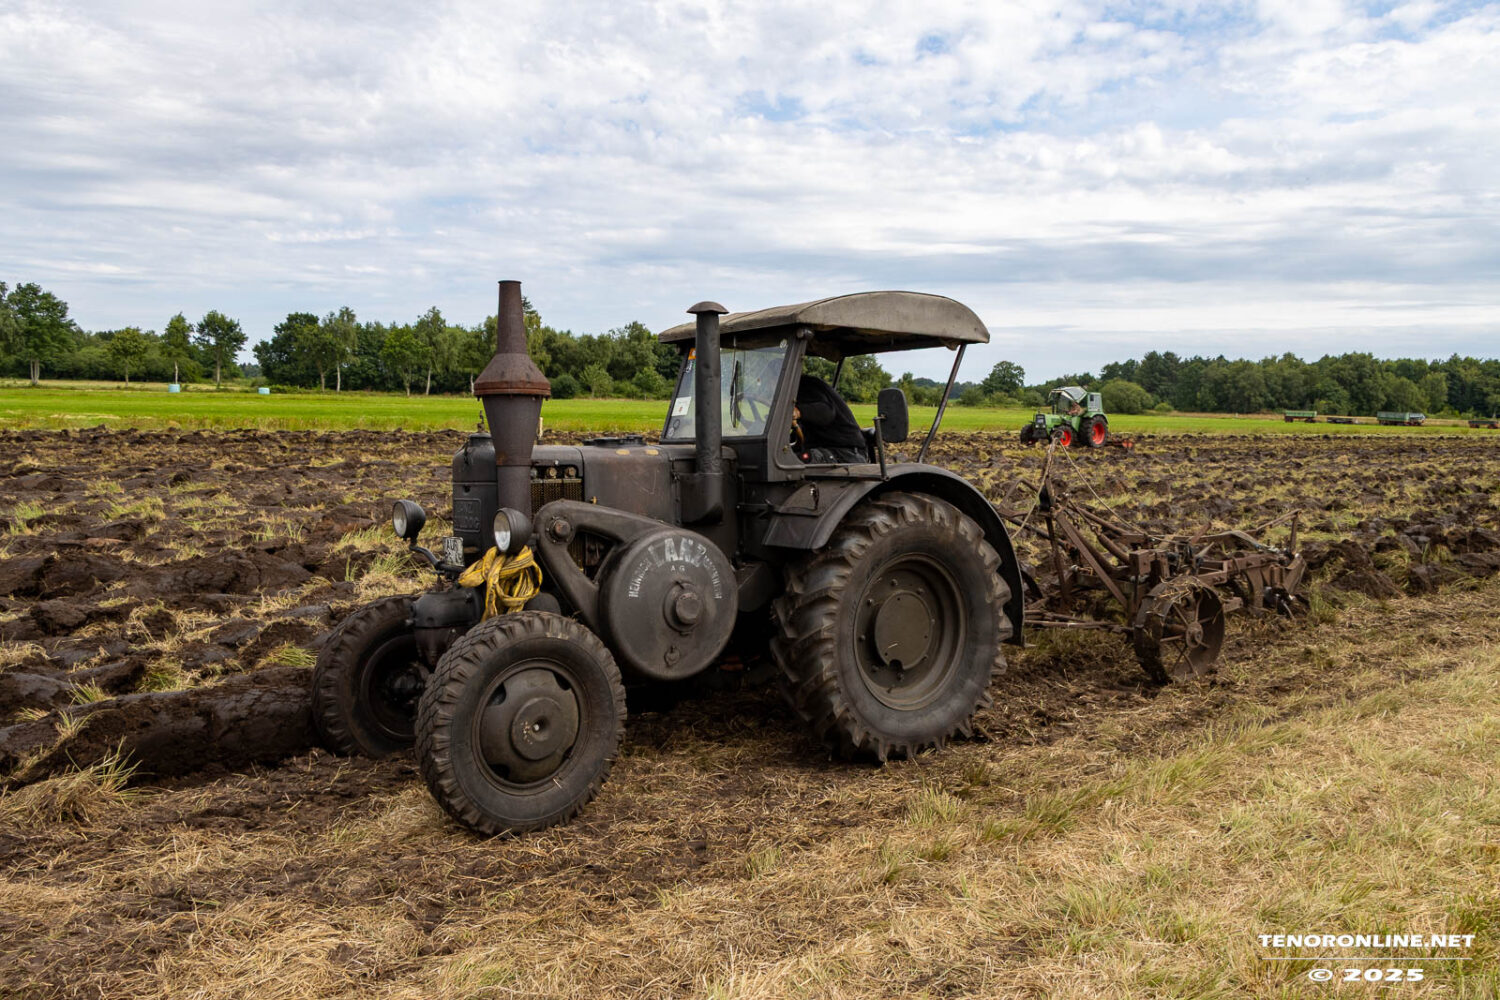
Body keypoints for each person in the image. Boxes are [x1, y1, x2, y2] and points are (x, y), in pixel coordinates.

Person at [793, 374, 868, 463]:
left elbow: (826, 412)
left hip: (843, 453)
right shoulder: (798, 388)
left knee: (791, 464)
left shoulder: (805, 386)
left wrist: (798, 411)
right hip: (827, 449)